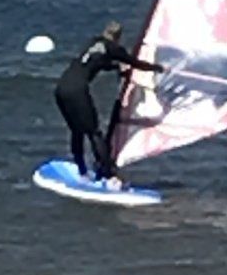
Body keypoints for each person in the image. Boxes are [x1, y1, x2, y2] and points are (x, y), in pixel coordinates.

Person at [54, 22, 153, 181]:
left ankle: (82, 170)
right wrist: (157, 68)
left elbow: (98, 62)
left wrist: (115, 67)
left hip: (61, 89)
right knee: (94, 133)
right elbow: (135, 63)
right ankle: (108, 174)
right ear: (118, 37)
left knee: (77, 130)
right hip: (77, 91)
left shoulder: (92, 43)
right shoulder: (114, 48)